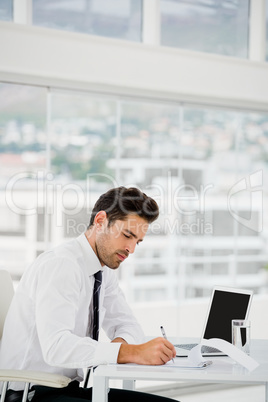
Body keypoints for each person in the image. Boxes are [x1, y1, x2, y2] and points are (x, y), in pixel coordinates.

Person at [0, 187, 178, 402]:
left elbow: (129, 326)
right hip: (30, 394)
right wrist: (131, 352)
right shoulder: (62, 265)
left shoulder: (102, 269)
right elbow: (57, 347)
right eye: (127, 235)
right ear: (101, 221)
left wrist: (119, 349)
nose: (131, 249)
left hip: (67, 390)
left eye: (137, 241)